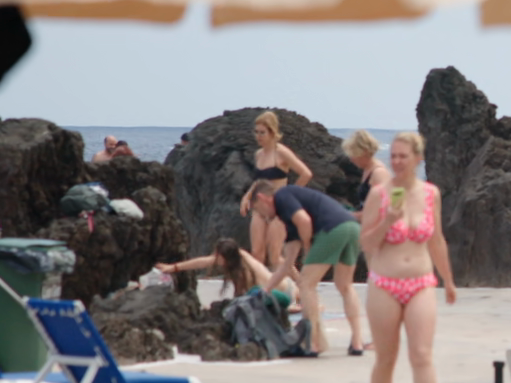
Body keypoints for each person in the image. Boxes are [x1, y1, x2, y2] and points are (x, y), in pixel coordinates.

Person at [359, 131, 457, 383]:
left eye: (404, 156)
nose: (398, 161)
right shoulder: (379, 194)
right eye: (394, 156)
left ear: (418, 158)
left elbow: (436, 239)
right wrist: (388, 221)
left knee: (422, 354)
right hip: (385, 283)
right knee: (386, 357)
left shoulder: (431, 194)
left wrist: (448, 280)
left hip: (421, 282)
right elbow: (367, 244)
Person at [258, 182, 366, 356]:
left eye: (258, 209)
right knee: (345, 285)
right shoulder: (288, 220)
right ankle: (357, 342)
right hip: (352, 227)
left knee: (306, 284)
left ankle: (313, 342)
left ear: (262, 198)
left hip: (331, 229)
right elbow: (286, 264)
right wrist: (266, 289)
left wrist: (308, 246)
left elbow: (304, 220)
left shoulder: (282, 196)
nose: (262, 216)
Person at [241, 111, 313, 272]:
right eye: (256, 132)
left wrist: (290, 194)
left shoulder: (281, 152)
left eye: (262, 133)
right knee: (257, 252)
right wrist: (247, 197)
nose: (258, 136)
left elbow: (306, 173)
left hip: (278, 208)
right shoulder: (258, 154)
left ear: (272, 132)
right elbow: (259, 180)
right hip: (260, 207)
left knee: (275, 256)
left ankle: (300, 283)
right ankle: (259, 284)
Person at [155, 236, 294, 305]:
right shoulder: (239, 255)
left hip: (282, 293)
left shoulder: (244, 272)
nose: (215, 259)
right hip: (286, 286)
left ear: (226, 258)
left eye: (218, 256)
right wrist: (174, 267)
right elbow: (203, 261)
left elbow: (247, 298)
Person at [340, 128, 392, 220]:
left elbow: (382, 211)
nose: (351, 159)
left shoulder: (379, 174)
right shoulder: (367, 170)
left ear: (364, 153)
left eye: (354, 154)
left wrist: (350, 215)